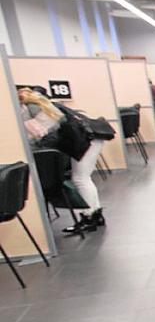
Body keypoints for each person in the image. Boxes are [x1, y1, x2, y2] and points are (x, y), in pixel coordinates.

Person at [17, 87, 106, 233]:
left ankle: (89, 218)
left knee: (80, 179)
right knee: (83, 178)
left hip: (85, 141)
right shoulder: (44, 104)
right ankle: (95, 215)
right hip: (89, 139)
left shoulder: (29, 109)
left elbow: (39, 135)